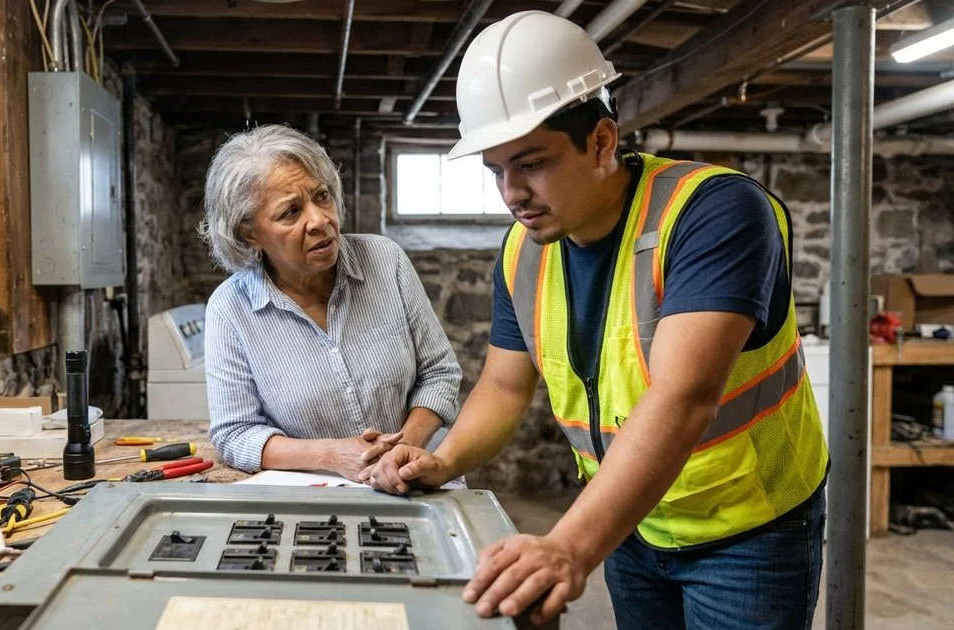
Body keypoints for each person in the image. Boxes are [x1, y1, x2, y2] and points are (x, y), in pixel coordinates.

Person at [361, 11, 829, 630]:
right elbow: (504, 386)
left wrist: (569, 546)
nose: (512, 193)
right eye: (496, 170)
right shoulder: (523, 250)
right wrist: (442, 461)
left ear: (603, 142)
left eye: (532, 163)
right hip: (633, 518)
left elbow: (685, 397)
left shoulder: (714, 212)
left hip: (746, 531)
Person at [199, 123, 462, 481]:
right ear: (250, 233)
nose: (320, 220)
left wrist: (404, 450)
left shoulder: (386, 261)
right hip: (321, 493)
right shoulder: (230, 310)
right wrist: (334, 454)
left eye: (322, 196)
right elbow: (235, 434)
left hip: (422, 480)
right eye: (291, 212)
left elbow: (439, 373)